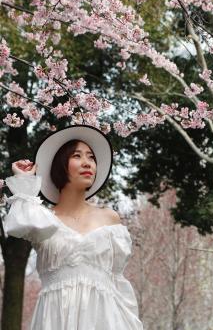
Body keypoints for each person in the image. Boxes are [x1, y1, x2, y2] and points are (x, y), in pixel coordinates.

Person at [3, 125, 143, 330]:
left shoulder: (110, 218)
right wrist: (24, 180)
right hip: (54, 318)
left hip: (104, 320)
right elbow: (19, 222)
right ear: (60, 164)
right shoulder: (42, 219)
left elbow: (118, 282)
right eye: (77, 156)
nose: (87, 163)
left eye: (91, 157)